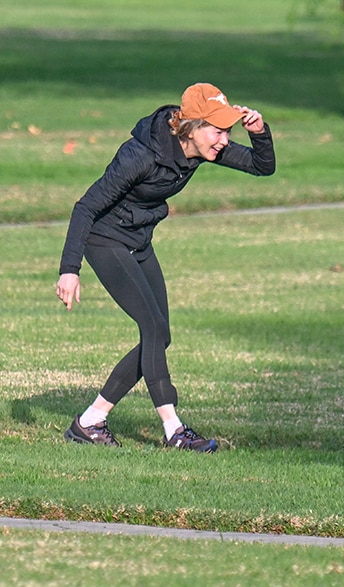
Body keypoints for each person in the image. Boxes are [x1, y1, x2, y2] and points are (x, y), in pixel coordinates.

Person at [56, 83, 276, 452]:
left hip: (139, 240)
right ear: (191, 126)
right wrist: (69, 269)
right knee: (153, 327)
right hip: (105, 240)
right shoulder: (140, 155)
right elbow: (86, 207)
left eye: (228, 131)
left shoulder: (205, 149)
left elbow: (261, 166)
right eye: (218, 130)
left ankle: (90, 421)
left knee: (161, 335)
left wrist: (260, 134)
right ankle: (173, 430)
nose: (224, 140)